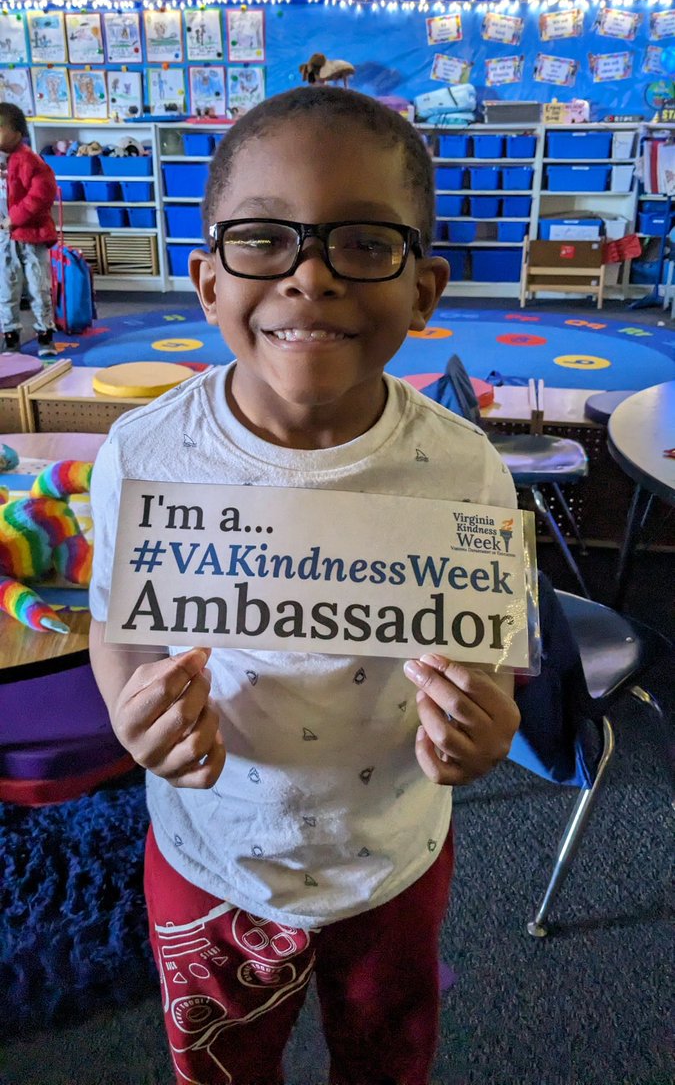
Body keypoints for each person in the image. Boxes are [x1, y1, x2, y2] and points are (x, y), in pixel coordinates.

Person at [89, 87, 520, 1085]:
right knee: (222, 1064)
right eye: (262, 240)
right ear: (205, 280)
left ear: (425, 290)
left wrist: (490, 724)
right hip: (209, 848)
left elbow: (486, 657)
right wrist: (126, 708)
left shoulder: (465, 470)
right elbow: (121, 617)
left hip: (392, 851)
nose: (309, 277)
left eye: (363, 244)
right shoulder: (146, 453)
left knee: (389, 1055)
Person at [0, 101, 58, 356]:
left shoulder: (28, 160)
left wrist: (14, 217)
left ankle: (45, 335)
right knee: (7, 289)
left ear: (17, 132)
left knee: (38, 287)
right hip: (6, 238)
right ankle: (10, 337)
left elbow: (42, 193)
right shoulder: (6, 161)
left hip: (30, 236)